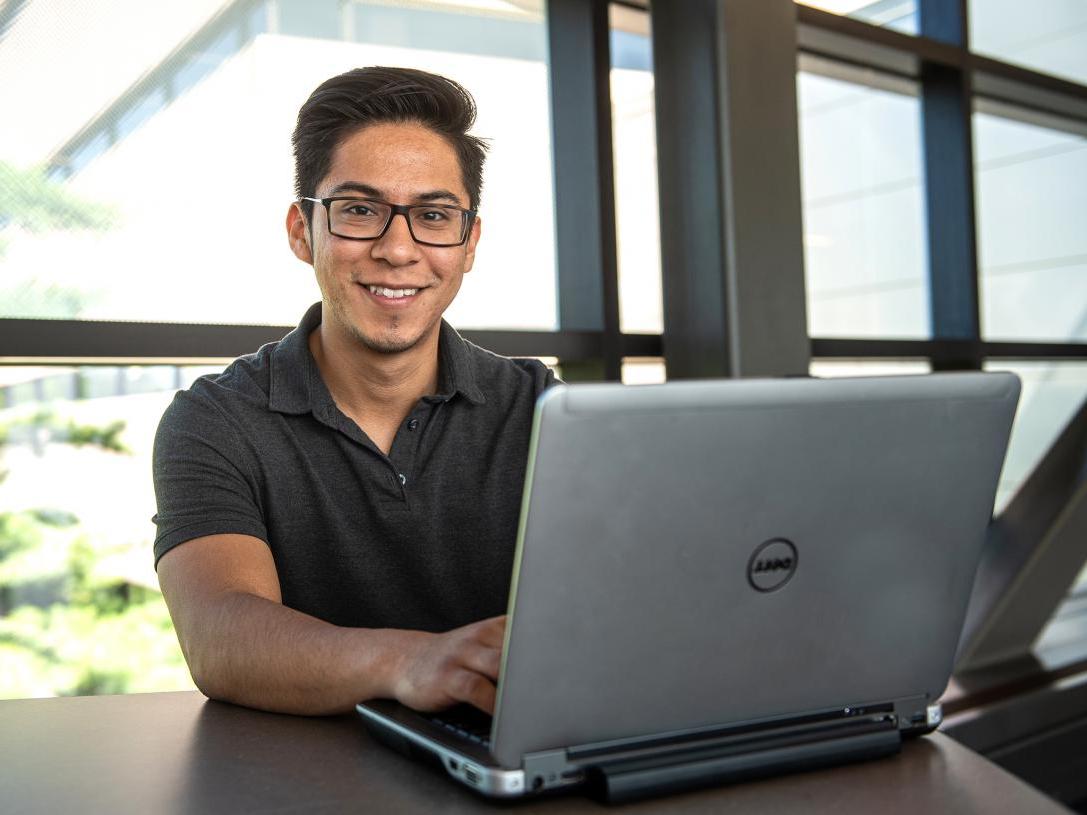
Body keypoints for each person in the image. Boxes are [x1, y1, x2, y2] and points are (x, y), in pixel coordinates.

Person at [152, 67, 556, 717]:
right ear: (300, 230)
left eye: (432, 215)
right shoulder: (214, 419)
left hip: (505, 764)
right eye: (360, 211)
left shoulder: (542, 410)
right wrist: (411, 660)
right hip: (290, 783)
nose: (398, 249)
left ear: (469, 241)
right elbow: (219, 635)